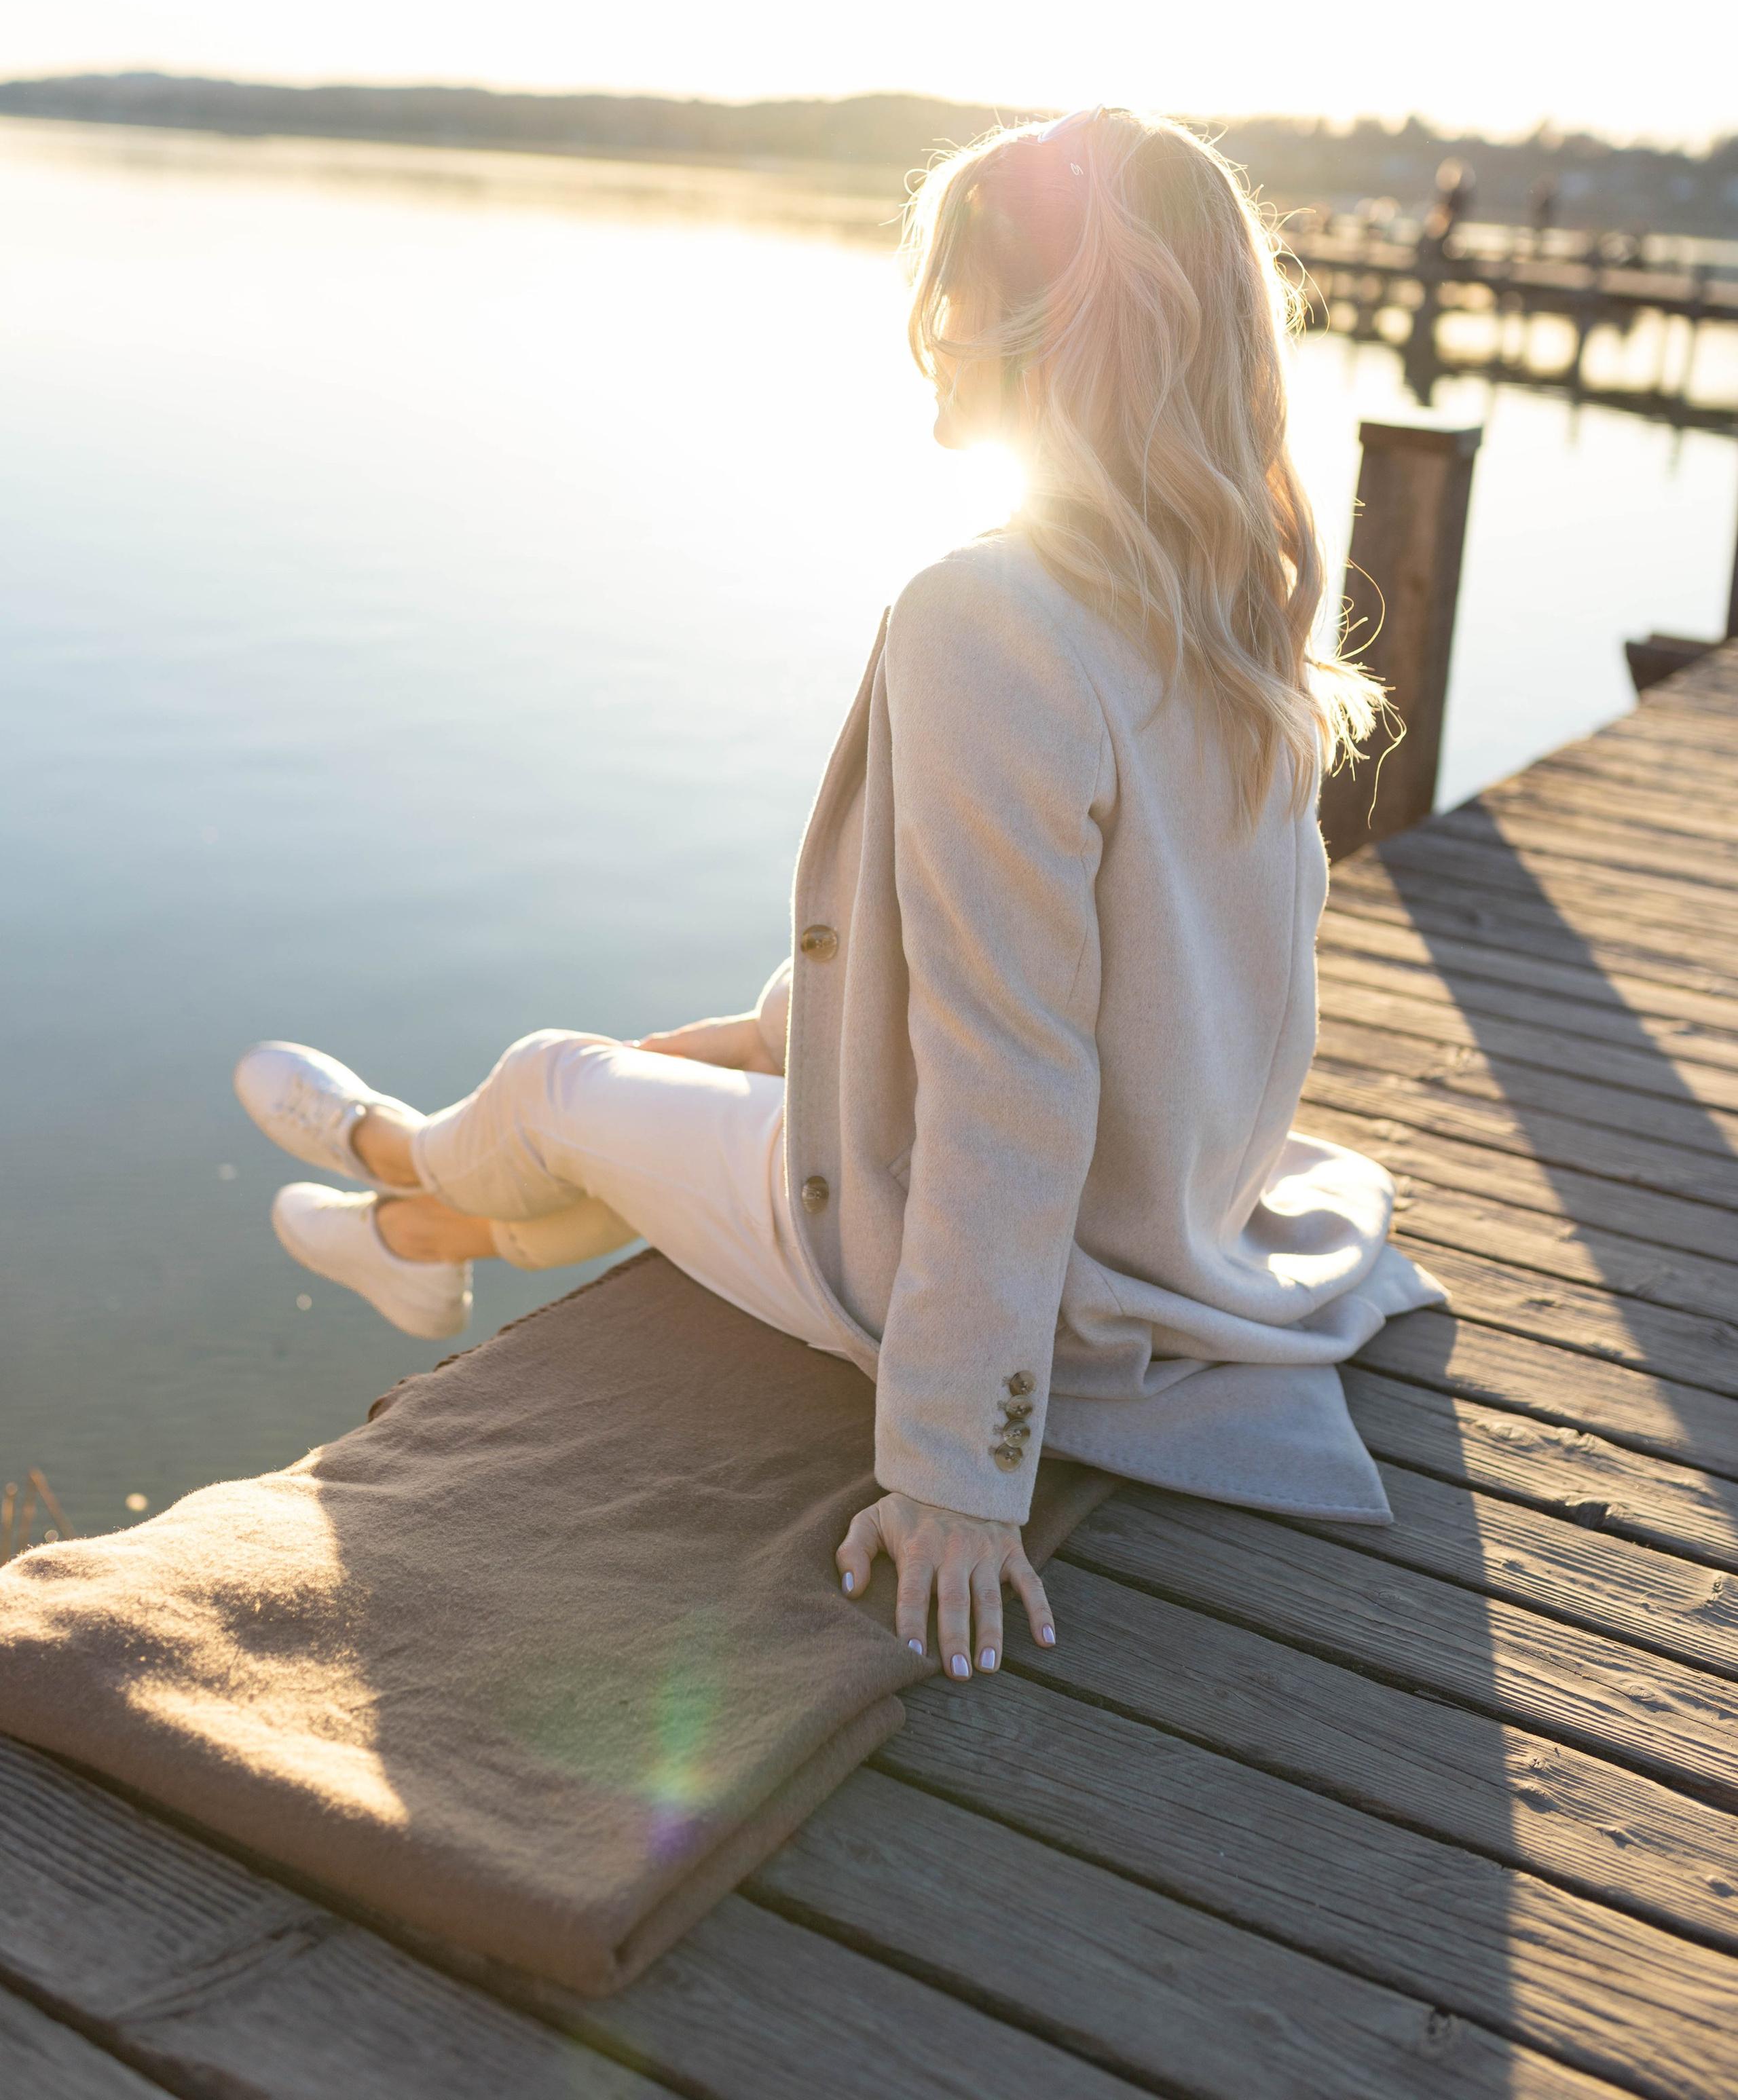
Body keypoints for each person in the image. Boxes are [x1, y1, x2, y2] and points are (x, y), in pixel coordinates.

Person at [234, 108, 1445, 1682]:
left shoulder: (993, 613)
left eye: (948, 292)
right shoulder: (1224, 614)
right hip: (1177, 1220)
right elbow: (1142, 973)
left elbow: (1012, 1077)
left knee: (554, 1082)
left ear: (1034, 325)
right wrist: (792, 1039)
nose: (925, 333)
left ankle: (397, 1165)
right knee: (733, 1046)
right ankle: (418, 1235)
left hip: (1024, 1282)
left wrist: (952, 1468)